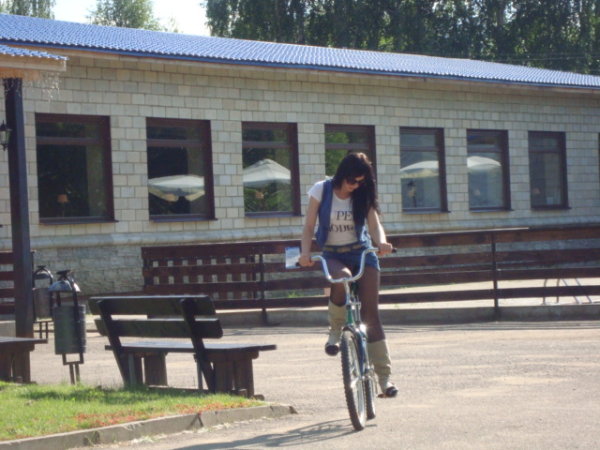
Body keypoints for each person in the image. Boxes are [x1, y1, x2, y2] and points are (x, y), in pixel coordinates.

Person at [299, 152, 398, 397]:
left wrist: (382, 243)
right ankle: (335, 330)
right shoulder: (321, 190)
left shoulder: (362, 194)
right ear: (342, 175)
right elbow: (309, 226)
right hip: (333, 254)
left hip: (361, 252)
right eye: (352, 181)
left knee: (371, 315)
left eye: (360, 182)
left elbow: (374, 224)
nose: (355, 186)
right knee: (341, 279)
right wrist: (305, 253)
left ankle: (384, 379)